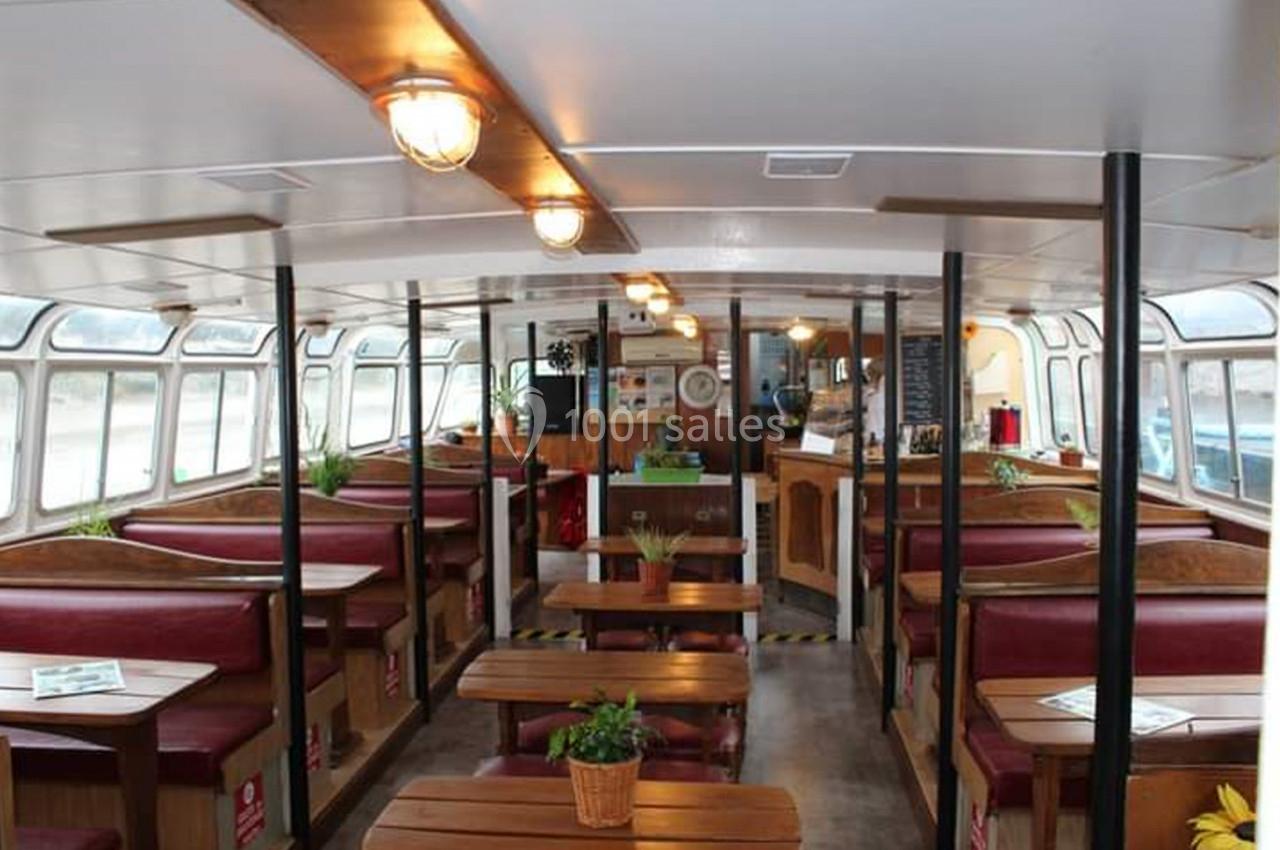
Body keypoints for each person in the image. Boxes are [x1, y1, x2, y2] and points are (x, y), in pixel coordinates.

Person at [863, 358, 885, 447]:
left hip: (878, 436)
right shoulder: (875, 389)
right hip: (876, 435)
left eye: (869, 373)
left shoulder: (882, 386)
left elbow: (877, 411)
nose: (868, 376)